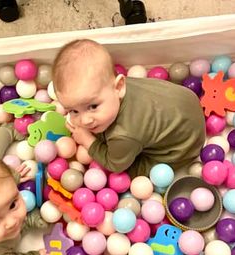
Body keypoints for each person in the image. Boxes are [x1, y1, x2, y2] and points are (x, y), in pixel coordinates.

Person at [52, 39, 206, 178]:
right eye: (73, 111)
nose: (85, 120)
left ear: (119, 86)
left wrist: (87, 140)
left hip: (184, 148)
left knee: (127, 172)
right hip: (186, 104)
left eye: (93, 106)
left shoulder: (124, 135)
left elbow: (116, 164)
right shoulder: (111, 87)